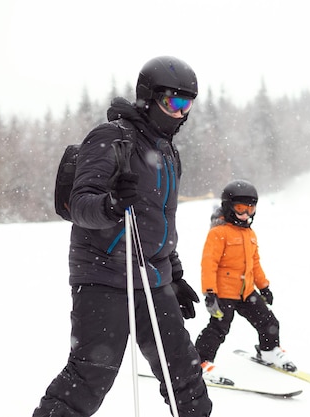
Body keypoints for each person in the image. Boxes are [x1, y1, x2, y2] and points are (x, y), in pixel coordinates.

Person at [33, 56, 212, 417]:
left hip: (152, 278)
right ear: (148, 96)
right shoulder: (111, 137)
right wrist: (112, 203)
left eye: (186, 103)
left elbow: (160, 221)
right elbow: (81, 205)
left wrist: (173, 274)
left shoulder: (167, 150)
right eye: (172, 102)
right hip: (104, 276)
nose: (180, 113)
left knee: (185, 373)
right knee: (89, 377)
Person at [194, 180, 296, 385]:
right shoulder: (218, 233)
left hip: (246, 290)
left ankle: (268, 351)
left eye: (250, 208)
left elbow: (254, 263)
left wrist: (264, 286)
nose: (246, 214)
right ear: (228, 207)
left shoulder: (250, 234)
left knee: (268, 322)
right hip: (223, 292)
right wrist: (210, 292)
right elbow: (209, 263)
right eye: (240, 208)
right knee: (218, 329)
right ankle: (200, 362)